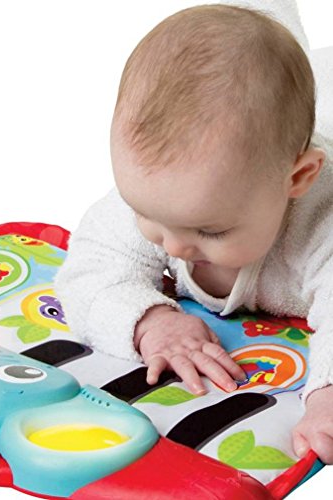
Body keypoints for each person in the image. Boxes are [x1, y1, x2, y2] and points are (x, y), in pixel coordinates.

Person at [53, 4, 333, 464]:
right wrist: (148, 321)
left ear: (297, 178)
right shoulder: (164, 192)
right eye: (147, 214)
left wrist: (326, 394)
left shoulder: (320, 219)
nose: (174, 246)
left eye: (209, 229)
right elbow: (89, 269)